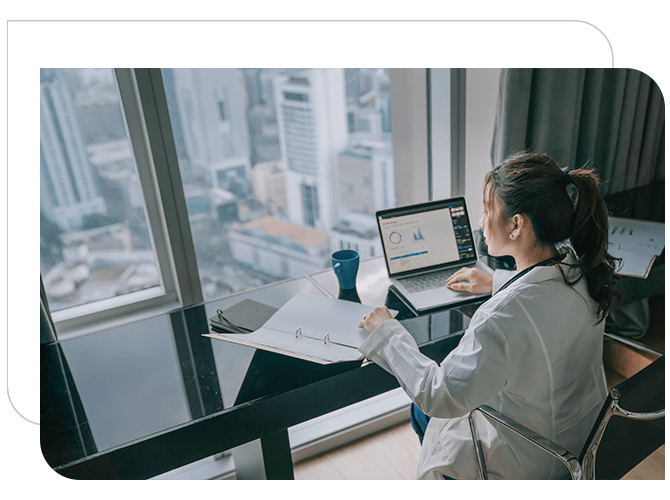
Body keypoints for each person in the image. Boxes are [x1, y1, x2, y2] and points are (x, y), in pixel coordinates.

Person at [357, 151, 619, 480]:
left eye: (487, 210)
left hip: (531, 460)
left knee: (422, 412)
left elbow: (438, 396)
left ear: (516, 224)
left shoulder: (500, 318)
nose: (481, 222)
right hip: (582, 442)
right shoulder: (583, 270)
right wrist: (496, 280)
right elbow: (542, 299)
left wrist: (387, 333)